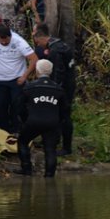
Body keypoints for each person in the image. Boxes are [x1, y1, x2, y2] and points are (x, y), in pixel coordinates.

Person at [17, 59, 69, 178]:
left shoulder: (29, 87)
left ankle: (27, 170)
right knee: (50, 149)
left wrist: (25, 120)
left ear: (37, 71)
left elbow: (20, 107)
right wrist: (58, 122)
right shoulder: (58, 89)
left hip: (33, 121)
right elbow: (65, 109)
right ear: (51, 71)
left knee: (22, 142)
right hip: (52, 123)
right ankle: (49, 176)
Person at [0, 25, 37, 134]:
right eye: (1, 40)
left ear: (10, 36)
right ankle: (3, 130)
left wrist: (24, 76)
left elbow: (34, 59)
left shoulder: (19, 42)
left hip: (17, 80)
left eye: (6, 40)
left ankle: (17, 129)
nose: (3, 43)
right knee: (1, 105)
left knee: (17, 105)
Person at [32, 25, 75, 155]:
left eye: (38, 42)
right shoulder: (60, 45)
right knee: (56, 115)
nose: (39, 45)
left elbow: (58, 72)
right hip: (68, 85)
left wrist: (54, 89)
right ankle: (52, 140)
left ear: (41, 38)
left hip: (62, 88)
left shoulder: (55, 51)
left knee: (63, 116)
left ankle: (66, 147)